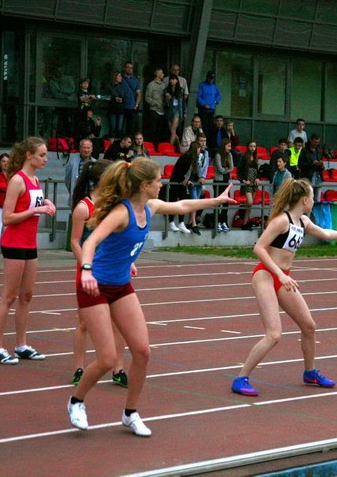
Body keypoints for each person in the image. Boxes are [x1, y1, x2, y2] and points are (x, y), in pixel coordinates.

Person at [67, 158, 236, 434]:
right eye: (158, 180)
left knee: (142, 352)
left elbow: (183, 206)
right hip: (95, 285)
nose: (161, 184)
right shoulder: (121, 213)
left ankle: (130, 413)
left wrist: (216, 200)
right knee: (107, 358)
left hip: (121, 285)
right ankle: (76, 401)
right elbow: (91, 241)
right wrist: (86, 270)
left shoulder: (150, 206)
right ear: (145, 185)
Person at [230, 178, 337, 397]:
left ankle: (310, 372)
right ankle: (240, 378)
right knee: (274, 334)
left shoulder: (302, 221)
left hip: (284, 277)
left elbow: (326, 233)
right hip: (266, 275)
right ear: (304, 200)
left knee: (309, 326)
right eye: (313, 197)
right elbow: (259, 248)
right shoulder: (281, 221)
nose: (314, 200)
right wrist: (278, 274)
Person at [0, 137, 56, 365]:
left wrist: (46, 202)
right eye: (41, 155)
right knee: (9, 296)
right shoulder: (17, 180)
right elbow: (7, 218)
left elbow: (31, 203)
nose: (45, 159)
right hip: (14, 242)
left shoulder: (35, 179)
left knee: (27, 296)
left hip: (29, 243)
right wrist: (36, 210)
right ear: (29, 155)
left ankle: (21, 345)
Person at [69, 159, 128, 387]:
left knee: (117, 321)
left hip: (111, 269)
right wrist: (86, 266)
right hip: (89, 269)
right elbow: (75, 241)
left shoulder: (115, 206)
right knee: (84, 322)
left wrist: (128, 261)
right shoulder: (84, 207)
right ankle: (79, 367)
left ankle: (118, 368)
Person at [185, 133, 209, 234]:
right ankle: (194, 224)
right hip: (192, 179)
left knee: (197, 203)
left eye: (205, 141)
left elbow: (205, 166)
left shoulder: (206, 153)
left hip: (199, 180)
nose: (203, 143)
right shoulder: (192, 153)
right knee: (194, 202)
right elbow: (189, 167)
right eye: (201, 141)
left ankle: (189, 223)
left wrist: (202, 177)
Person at [237, 140, 260, 230]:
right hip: (247, 182)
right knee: (249, 202)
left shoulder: (256, 157)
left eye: (254, 146)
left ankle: (245, 222)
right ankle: (242, 209)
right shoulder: (244, 156)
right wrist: (243, 180)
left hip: (254, 182)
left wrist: (258, 178)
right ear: (248, 147)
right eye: (251, 146)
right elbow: (239, 171)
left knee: (250, 204)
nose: (253, 148)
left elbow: (257, 171)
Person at [213, 138, 234, 232]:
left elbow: (232, 167)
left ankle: (223, 221)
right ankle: (217, 222)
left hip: (226, 181)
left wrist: (226, 170)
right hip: (218, 181)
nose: (230, 148)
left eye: (230, 146)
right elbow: (220, 169)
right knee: (218, 202)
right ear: (224, 146)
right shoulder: (218, 155)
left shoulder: (229, 155)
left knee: (226, 202)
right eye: (228, 146)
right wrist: (226, 170)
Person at [144, 68, 166, 143]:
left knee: (160, 130)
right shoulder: (151, 85)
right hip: (154, 110)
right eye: (161, 73)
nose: (163, 74)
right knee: (153, 129)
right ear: (157, 74)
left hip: (163, 110)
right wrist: (154, 103)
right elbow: (147, 97)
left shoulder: (164, 85)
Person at [163, 73, 185, 148]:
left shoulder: (181, 90)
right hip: (169, 110)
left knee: (173, 129)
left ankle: (170, 147)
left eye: (173, 79)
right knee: (172, 130)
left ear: (177, 80)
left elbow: (183, 102)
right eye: (171, 79)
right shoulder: (166, 90)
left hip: (178, 110)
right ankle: (178, 143)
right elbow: (164, 101)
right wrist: (167, 98)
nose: (172, 81)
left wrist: (184, 112)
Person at [196, 71, 220, 136]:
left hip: (211, 110)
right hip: (203, 110)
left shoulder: (214, 87)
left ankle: (208, 140)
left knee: (211, 127)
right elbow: (198, 96)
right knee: (203, 126)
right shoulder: (202, 85)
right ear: (207, 77)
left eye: (212, 78)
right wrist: (204, 104)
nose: (211, 80)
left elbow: (218, 95)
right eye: (210, 78)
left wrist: (216, 101)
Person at [121, 62, 142, 135]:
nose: (130, 69)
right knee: (120, 127)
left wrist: (136, 105)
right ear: (124, 68)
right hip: (121, 106)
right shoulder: (120, 79)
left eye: (131, 68)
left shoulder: (135, 80)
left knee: (131, 128)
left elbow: (139, 93)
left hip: (132, 107)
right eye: (128, 67)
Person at [105, 71, 126, 138]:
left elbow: (126, 97)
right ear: (115, 77)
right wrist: (114, 99)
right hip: (112, 109)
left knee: (119, 129)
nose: (121, 77)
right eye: (119, 76)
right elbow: (105, 97)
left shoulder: (122, 86)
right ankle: (112, 142)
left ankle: (119, 142)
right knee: (113, 128)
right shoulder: (109, 86)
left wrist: (122, 99)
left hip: (121, 109)